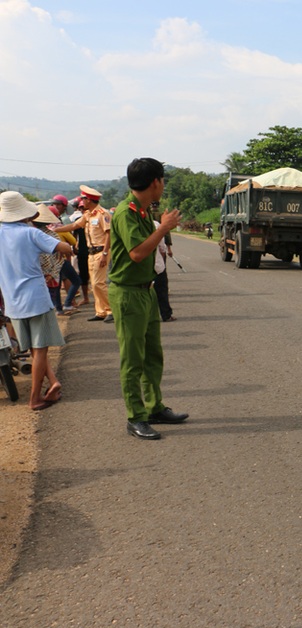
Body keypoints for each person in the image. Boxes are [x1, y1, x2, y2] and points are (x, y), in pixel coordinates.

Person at [108, 157, 189, 440]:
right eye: (163, 180)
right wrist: (163, 228)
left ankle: (154, 407)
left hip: (146, 290)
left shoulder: (141, 211)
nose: (163, 185)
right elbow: (137, 253)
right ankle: (136, 416)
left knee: (153, 354)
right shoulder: (125, 212)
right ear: (155, 182)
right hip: (128, 293)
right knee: (133, 359)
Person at [0, 192, 73, 410]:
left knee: (33, 347)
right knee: (41, 349)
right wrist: (63, 249)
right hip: (36, 298)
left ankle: (54, 382)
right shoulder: (30, 233)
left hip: (13, 302)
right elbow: (65, 248)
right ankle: (35, 398)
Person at [78, 186, 113, 323]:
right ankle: (101, 311)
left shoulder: (102, 214)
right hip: (91, 253)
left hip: (100, 252)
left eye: (83, 198)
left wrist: (105, 253)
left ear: (89, 200)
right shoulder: (88, 215)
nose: (82, 201)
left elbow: (109, 234)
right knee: (94, 284)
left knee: (99, 282)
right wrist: (57, 229)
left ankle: (110, 310)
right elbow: (75, 225)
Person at [152, 220, 175, 322]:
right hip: (157, 265)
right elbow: (162, 247)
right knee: (162, 290)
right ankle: (166, 314)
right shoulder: (156, 224)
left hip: (141, 266)